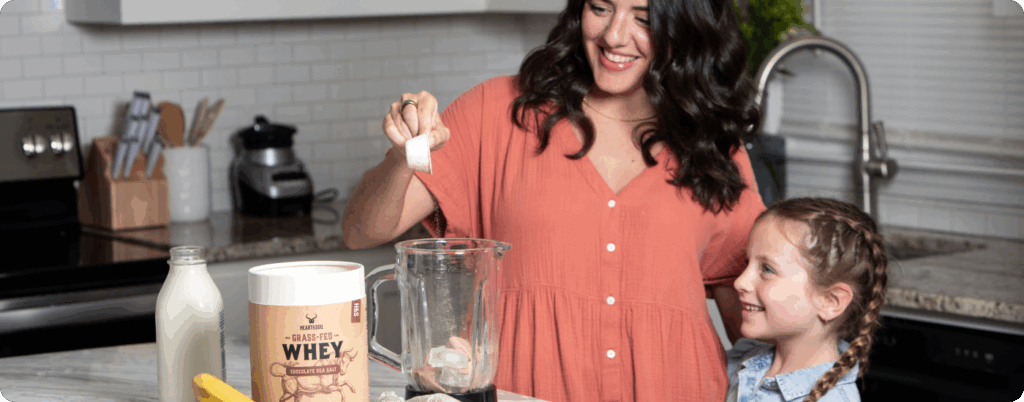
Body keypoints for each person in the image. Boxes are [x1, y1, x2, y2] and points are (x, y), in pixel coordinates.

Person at [342, 0, 764, 400]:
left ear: (686, 27)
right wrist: (405, 154)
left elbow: (752, 324)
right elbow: (362, 232)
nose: (615, 36)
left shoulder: (712, 145)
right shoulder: (498, 111)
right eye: (600, 8)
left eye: (645, 18)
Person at [727, 198, 889, 402]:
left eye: (767, 269)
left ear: (830, 301)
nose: (740, 282)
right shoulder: (742, 358)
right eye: (747, 263)